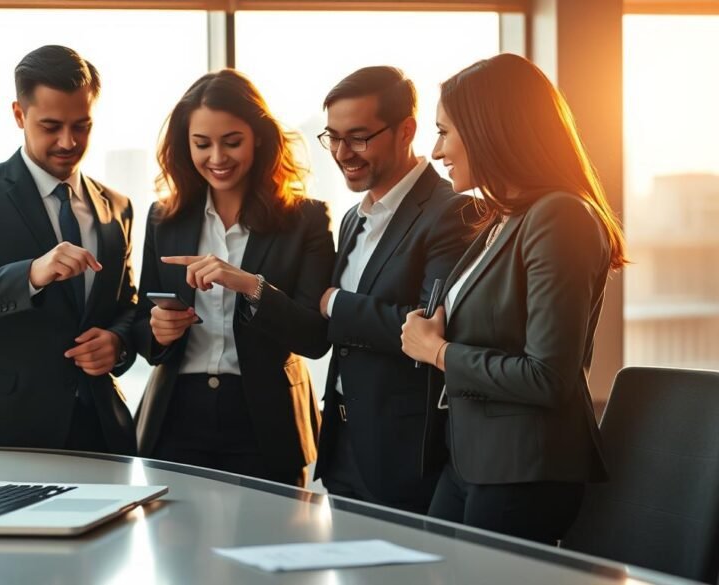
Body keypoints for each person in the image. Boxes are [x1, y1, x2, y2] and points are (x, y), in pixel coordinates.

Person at [401, 53, 627, 544]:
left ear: (489, 130)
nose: (437, 151)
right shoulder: (503, 219)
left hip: (525, 471)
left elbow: (547, 377)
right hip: (473, 459)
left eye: (444, 132)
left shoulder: (559, 217)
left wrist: (437, 352)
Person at [0, 45, 138, 455]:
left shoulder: (116, 207)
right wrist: (30, 275)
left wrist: (117, 343)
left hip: (103, 433)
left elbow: (128, 306)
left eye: (81, 126)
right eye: (51, 126)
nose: (68, 141)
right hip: (5, 432)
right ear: (19, 114)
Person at [131, 69, 335, 486]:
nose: (217, 158)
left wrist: (250, 285)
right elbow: (142, 328)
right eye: (202, 144)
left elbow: (315, 338)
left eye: (232, 141)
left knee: (271, 548)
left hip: (266, 421)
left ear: (258, 136)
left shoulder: (305, 219)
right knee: (178, 551)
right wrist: (158, 331)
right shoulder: (162, 218)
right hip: (175, 419)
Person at [312, 66, 475, 513]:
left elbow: (425, 327)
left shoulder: (451, 212)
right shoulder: (351, 217)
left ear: (406, 130)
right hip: (343, 447)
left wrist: (334, 303)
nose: (343, 153)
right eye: (333, 137)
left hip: (404, 458)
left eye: (359, 137)